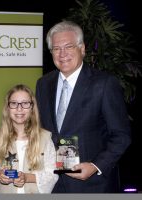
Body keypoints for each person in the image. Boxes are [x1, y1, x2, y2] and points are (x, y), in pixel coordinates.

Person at [35, 20, 131, 193]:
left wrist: (95, 166)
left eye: (69, 46)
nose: (62, 54)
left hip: (93, 185)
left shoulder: (104, 84)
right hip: (53, 183)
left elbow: (121, 136)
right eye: (56, 48)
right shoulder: (43, 84)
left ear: (82, 48)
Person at [0, 84, 58, 193]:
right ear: (7, 108)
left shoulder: (45, 138)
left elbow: (53, 173)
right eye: (14, 103)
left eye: (25, 103)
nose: (19, 108)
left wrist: (27, 177)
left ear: (32, 107)